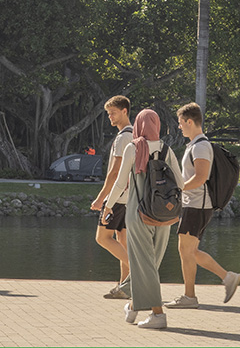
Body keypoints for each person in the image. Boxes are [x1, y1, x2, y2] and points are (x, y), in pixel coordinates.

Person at [165, 103, 240, 310]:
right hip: (194, 205)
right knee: (190, 250)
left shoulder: (200, 147)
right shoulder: (195, 145)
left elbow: (200, 177)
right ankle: (227, 277)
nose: (179, 127)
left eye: (181, 123)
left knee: (185, 250)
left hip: (196, 205)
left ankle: (190, 296)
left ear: (190, 121)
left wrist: (178, 190)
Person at [119, 109, 180, 329]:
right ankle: (134, 306)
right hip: (164, 214)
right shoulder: (166, 149)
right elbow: (180, 183)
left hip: (139, 213)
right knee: (151, 264)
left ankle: (158, 315)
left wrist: (108, 206)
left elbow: (120, 182)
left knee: (143, 264)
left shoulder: (133, 147)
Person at [90, 95, 134, 299]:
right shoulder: (135, 135)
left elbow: (115, 171)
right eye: (108, 113)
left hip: (117, 199)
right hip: (130, 199)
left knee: (102, 238)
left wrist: (101, 198)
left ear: (125, 111)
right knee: (122, 241)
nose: (110, 117)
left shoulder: (124, 137)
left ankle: (137, 273)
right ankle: (124, 287)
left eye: (113, 113)